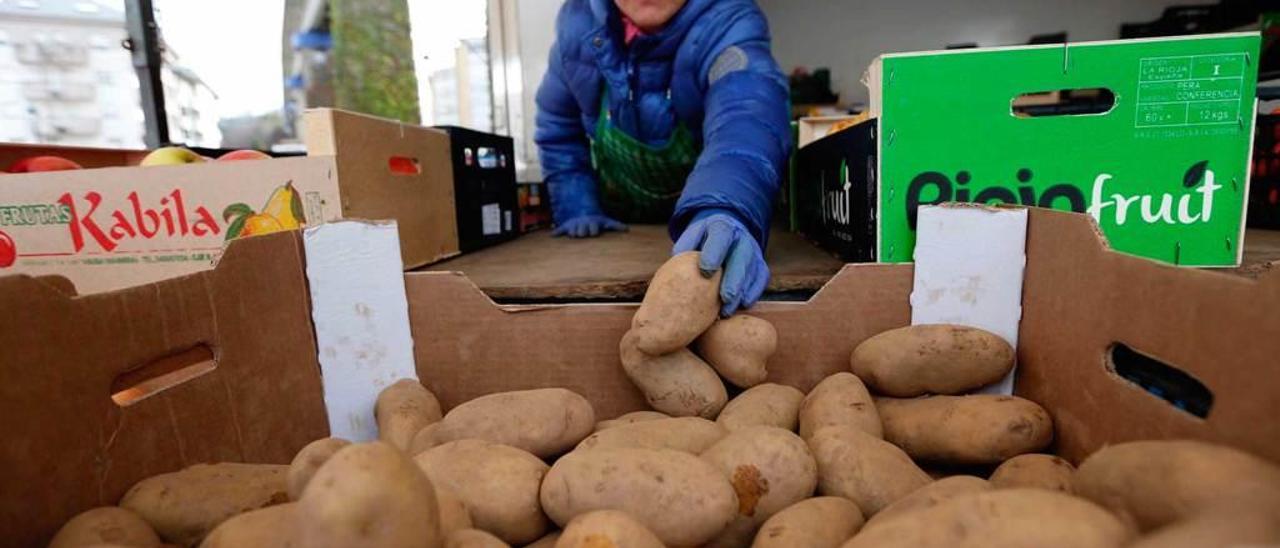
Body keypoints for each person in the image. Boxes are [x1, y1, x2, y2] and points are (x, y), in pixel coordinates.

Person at [535, 0, 791, 316]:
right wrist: (576, 205)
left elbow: (747, 115)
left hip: (701, 218)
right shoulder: (578, 32)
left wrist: (726, 204)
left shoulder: (727, 24)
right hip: (621, 223)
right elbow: (558, 129)